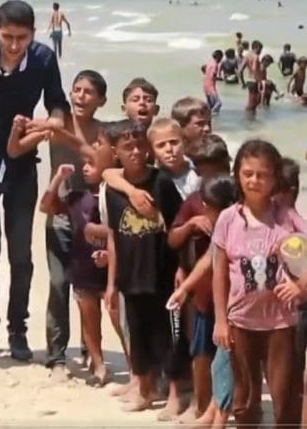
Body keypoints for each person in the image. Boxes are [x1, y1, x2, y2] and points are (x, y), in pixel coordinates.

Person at [0, 0, 71, 362]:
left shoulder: (42, 58)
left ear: (33, 35)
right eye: (7, 37)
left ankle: (18, 330)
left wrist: (55, 120)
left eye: (21, 38)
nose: (13, 45)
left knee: (21, 256)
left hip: (23, 167)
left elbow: (58, 102)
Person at [212, 140, 305, 427]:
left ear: (276, 177)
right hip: (240, 322)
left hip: (281, 323)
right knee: (245, 396)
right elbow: (219, 272)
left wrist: (301, 286)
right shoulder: (228, 219)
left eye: (262, 174)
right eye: (247, 173)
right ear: (237, 175)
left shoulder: (288, 218)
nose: (254, 180)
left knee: (284, 395)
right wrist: (221, 321)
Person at [26, 70, 106, 381]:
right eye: (77, 90)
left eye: (89, 92)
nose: (81, 96)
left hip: (92, 219)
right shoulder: (56, 123)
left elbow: (97, 158)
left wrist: (64, 135)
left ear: (101, 100)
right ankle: (57, 356)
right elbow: (19, 145)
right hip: (59, 214)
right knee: (59, 286)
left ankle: (90, 350)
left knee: (90, 290)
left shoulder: (102, 131)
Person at [104, 120, 183, 413]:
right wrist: (112, 284)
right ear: (116, 152)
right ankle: (145, 390)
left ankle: (175, 396)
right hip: (130, 275)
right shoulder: (112, 191)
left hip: (160, 274)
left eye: (140, 146)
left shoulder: (161, 183)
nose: (136, 151)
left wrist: (180, 269)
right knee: (137, 335)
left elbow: (178, 228)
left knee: (167, 338)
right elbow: (113, 236)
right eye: (128, 147)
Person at [39, 143, 125, 387]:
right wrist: (57, 179)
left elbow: (123, 233)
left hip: (111, 269)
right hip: (83, 269)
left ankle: (136, 367)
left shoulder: (117, 198)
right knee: (89, 316)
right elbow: (45, 206)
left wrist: (103, 236)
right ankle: (98, 365)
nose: (84, 168)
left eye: (92, 164)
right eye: (84, 164)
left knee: (120, 320)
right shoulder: (77, 198)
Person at [166, 138, 232, 425]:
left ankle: (222, 411)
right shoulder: (196, 201)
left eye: (215, 170)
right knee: (201, 352)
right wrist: (192, 225)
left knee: (230, 359)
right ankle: (201, 404)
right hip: (204, 292)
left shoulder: (238, 204)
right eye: (203, 172)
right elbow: (174, 240)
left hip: (237, 296)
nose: (210, 178)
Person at [238, 39, 264, 114]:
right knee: (254, 102)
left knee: (252, 101)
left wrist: (243, 82)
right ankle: (249, 119)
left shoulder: (247, 56)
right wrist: (260, 82)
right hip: (255, 80)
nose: (260, 51)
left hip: (249, 81)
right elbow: (254, 69)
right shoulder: (255, 56)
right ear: (256, 47)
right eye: (260, 49)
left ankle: (250, 118)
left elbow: (240, 71)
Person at [203, 50, 223, 114]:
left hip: (205, 86)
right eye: (221, 57)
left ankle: (208, 118)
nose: (221, 59)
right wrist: (220, 79)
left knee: (210, 105)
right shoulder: (215, 65)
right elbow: (213, 76)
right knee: (219, 103)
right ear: (218, 57)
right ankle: (210, 115)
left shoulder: (209, 63)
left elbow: (203, 69)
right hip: (211, 87)